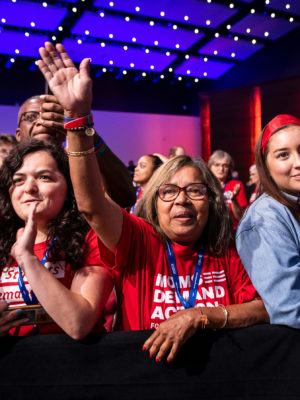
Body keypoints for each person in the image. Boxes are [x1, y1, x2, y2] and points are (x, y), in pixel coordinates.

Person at [37, 42, 269, 361]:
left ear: (212, 201)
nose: (182, 201)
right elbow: (90, 204)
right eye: (169, 191)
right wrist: (77, 119)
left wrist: (201, 315)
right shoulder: (140, 242)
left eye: (195, 191)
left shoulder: (227, 248)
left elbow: (265, 308)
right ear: (153, 203)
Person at [0, 140, 113, 337]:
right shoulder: (2, 242)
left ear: (69, 187)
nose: (29, 188)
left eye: (44, 177)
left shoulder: (92, 239)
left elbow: (78, 324)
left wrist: (27, 258)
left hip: (70, 362)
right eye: (18, 180)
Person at [236, 114, 300, 328]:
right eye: (284, 155)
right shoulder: (264, 218)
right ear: (266, 166)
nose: (298, 163)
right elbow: (289, 307)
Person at [16, 94, 135, 208]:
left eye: (51, 115)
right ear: (18, 135)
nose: (42, 121)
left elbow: (126, 198)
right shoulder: (8, 172)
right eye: (31, 117)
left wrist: (82, 130)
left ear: (64, 134)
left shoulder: (83, 166)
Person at [208, 150, 247, 229]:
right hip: (210, 231)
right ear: (210, 167)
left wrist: (234, 200)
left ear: (229, 168)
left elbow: (241, 217)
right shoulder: (205, 185)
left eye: (225, 165)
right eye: (217, 165)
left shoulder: (236, 185)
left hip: (232, 231)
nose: (221, 169)